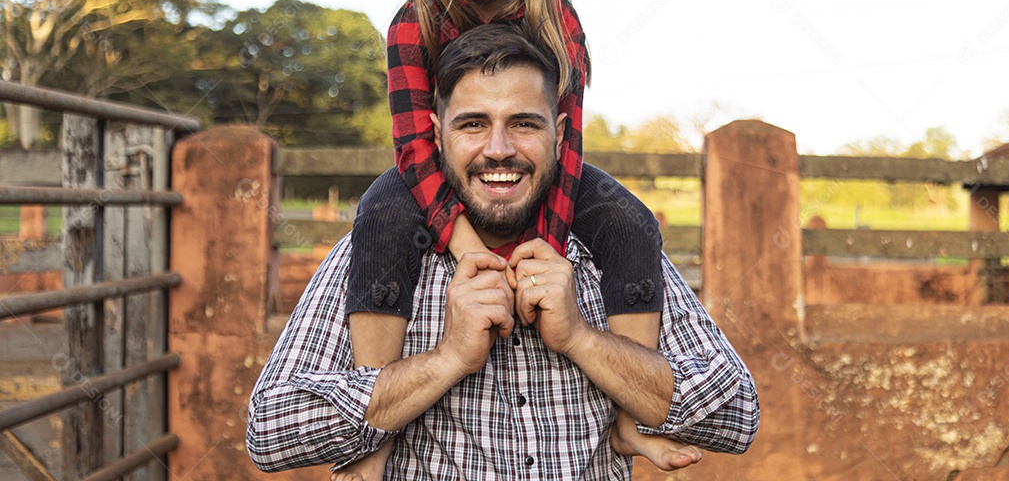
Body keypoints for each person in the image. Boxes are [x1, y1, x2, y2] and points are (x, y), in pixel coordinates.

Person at [246, 24, 759, 479]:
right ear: (435, 135)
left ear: (559, 134)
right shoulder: (380, 245)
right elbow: (269, 433)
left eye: (523, 123)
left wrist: (582, 340)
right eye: (472, 124)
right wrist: (444, 361)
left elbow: (738, 416)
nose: (497, 149)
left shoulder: (610, 248)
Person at [343, 0, 674, 471]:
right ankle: (370, 427)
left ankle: (630, 415)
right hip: (442, 175)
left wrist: (538, 254)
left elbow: (566, 140)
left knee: (630, 219)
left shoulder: (558, 18)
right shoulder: (412, 23)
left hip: (540, 175)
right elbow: (413, 145)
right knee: (380, 216)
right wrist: (469, 249)